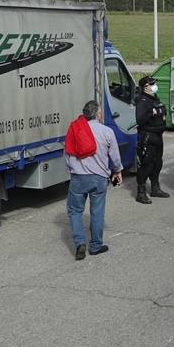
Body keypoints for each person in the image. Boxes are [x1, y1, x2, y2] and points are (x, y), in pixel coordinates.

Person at [65, 99, 123, 260]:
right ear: (97, 114)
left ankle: (80, 243)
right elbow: (115, 157)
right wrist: (117, 171)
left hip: (78, 178)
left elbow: (68, 154)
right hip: (99, 178)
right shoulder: (107, 131)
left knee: (75, 211)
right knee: (97, 212)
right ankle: (96, 246)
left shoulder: (76, 130)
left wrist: (72, 170)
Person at [133, 75, 169, 204]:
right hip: (148, 136)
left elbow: (162, 112)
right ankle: (141, 192)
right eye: (152, 84)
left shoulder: (154, 98)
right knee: (146, 164)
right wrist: (152, 113)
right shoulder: (142, 101)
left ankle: (155, 188)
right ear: (145, 87)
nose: (155, 85)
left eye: (154, 83)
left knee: (157, 163)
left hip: (158, 136)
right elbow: (140, 119)